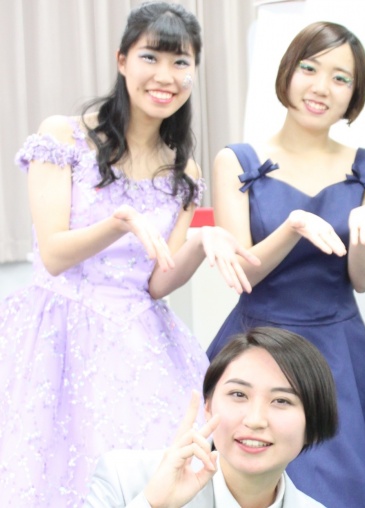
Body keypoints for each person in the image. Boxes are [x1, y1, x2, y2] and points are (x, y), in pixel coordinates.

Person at [0, 3, 258, 506]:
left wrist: (200, 241)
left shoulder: (184, 171)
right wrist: (118, 223)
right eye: (150, 57)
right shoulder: (64, 135)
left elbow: (157, 283)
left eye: (180, 62)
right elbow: (53, 254)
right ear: (122, 61)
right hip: (58, 331)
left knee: (155, 476)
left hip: (142, 340)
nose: (165, 76)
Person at [204, 21, 365, 508]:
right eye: (310, 68)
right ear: (288, 72)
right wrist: (292, 227)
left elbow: (364, 279)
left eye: (341, 78)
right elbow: (243, 274)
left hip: (341, 354)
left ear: (354, 94)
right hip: (257, 345)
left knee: (345, 489)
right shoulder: (237, 161)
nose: (321, 87)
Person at [84, 326, 338, 508]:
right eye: (238, 394)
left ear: (313, 424)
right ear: (208, 407)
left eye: (281, 401)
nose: (255, 420)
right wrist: (154, 505)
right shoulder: (124, 479)